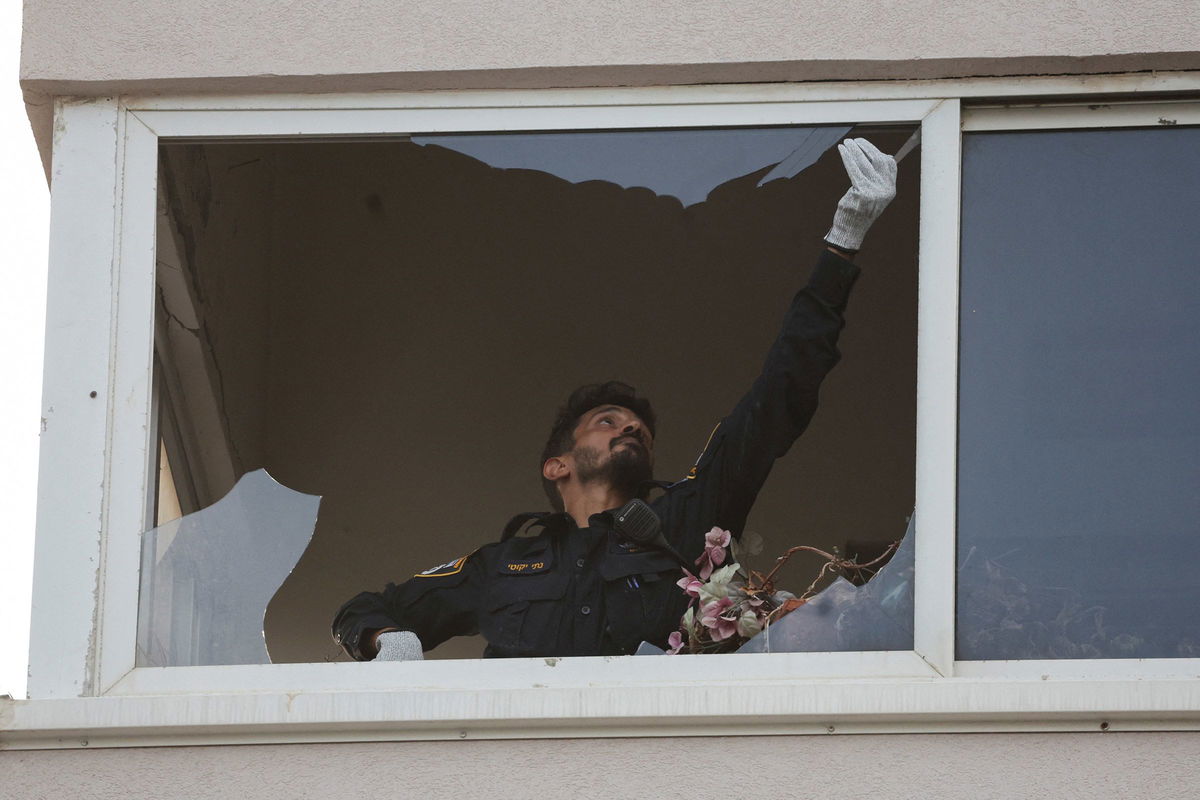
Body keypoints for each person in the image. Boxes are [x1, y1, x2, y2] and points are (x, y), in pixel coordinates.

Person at [332, 138, 898, 661]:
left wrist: (841, 245)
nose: (630, 430)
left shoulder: (686, 519)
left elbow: (777, 397)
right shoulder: (499, 566)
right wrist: (388, 640)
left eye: (640, 431)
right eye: (608, 422)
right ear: (556, 466)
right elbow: (362, 610)